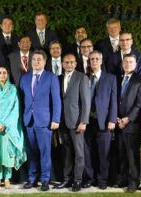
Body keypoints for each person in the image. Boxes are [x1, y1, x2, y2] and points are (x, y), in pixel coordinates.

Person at [20, 50, 61, 191]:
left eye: (39, 60)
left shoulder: (51, 77)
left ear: (44, 62)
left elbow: (56, 100)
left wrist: (56, 119)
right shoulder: (24, 78)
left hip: (44, 121)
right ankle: (32, 179)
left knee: (45, 152)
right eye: (34, 59)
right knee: (31, 151)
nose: (36, 62)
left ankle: (45, 179)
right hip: (29, 121)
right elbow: (22, 100)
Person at [54, 54, 90, 192]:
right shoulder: (58, 78)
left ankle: (78, 181)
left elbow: (86, 102)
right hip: (63, 122)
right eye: (66, 62)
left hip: (77, 123)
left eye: (72, 62)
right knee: (67, 152)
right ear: (62, 64)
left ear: (75, 64)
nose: (69, 64)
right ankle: (66, 179)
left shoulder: (82, 77)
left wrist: (83, 121)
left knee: (79, 153)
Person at [0, 66, 27, 190]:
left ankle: (7, 179)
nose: (2, 75)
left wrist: (6, 124)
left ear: (8, 74)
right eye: (0, 73)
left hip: (8, 128)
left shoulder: (12, 89)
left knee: (8, 153)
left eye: (4, 73)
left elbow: (15, 110)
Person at [83, 50, 117, 190]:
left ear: (101, 61)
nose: (94, 61)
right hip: (87, 122)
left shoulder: (111, 78)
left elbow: (114, 101)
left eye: (97, 59)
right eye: (92, 59)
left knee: (104, 153)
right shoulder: (84, 78)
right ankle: (90, 178)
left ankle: (102, 179)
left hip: (103, 122)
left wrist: (112, 120)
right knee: (88, 152)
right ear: (89, 62)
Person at [115, 54, 141, 193]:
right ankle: (123, 179)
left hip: (132, 124)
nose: (128, 64)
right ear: (122, 64)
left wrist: (127, 119)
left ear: (136, 64)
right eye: (126, 61)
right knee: (121, 153)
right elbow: (115, 100)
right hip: (118, 123)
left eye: (131, 62)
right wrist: (116, 118)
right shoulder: (118, 79)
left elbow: (140, 103)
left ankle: (134, 181)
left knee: (132, 154)